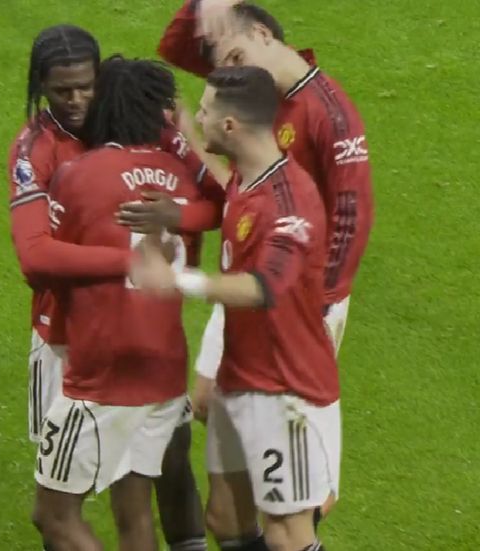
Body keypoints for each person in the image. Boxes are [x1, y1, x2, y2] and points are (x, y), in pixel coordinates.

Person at [119, 0, 373, 521]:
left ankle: (305, 509)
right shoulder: (256, 93)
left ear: (262, 33)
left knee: (297, 474)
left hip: (298, 296)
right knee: (208, 402)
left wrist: (316, 303)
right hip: (245, 281)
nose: (230, 71)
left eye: (235, 55)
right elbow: (175, 47)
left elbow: (352, 217)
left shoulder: (327, 111)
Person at [8, 26, 207, 550]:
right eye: (61, 90)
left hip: (106, 351)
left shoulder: (143, 127)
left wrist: (178, 214)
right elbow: (33, 256)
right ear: (41, 86)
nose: (76, 100)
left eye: (85, 86)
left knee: (86, 500)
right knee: (125, 495)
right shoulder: (35, 149)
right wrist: (133, 261)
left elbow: (224, 197)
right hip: (69, 334)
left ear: (104, 79)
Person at [131, 65, 340, 551]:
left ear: (230, 126)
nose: (202, 117)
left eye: (206, 111)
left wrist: (176, 280)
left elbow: (265, 287)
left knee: (286, 533)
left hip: (284, 387)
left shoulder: (291, 204)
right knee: (225, 518)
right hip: (240, 374)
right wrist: (185, 129)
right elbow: (227, 191)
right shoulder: (249, 178)